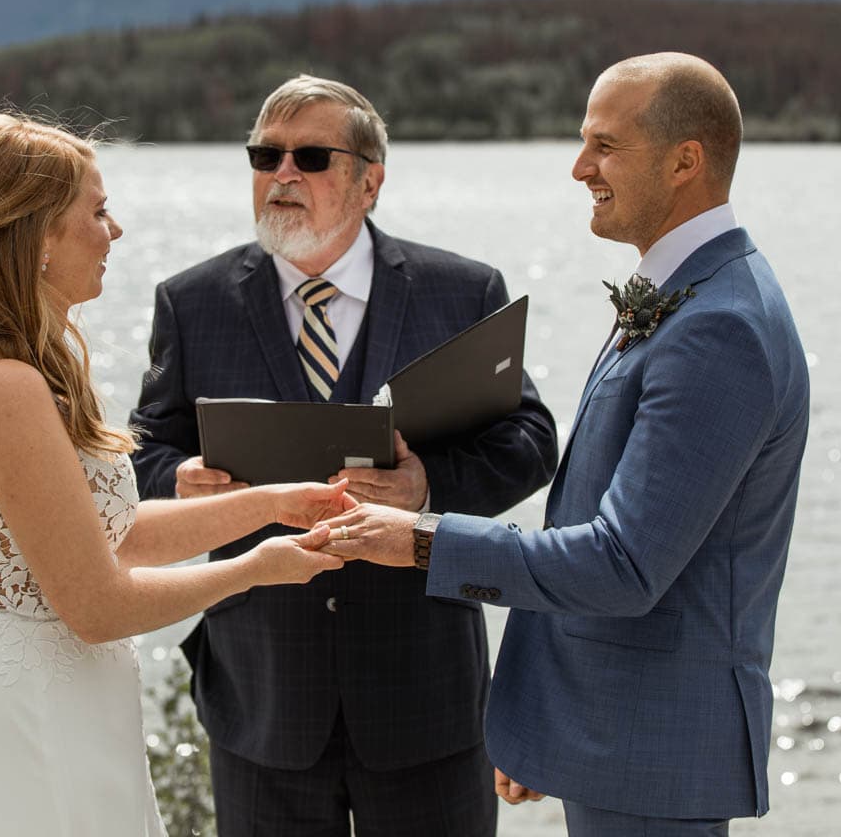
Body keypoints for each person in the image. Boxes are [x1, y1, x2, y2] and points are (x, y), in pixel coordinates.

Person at [320, 54, 811, 837]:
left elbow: (624, 566)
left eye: (605, 146)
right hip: (609, 734)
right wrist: (539, 710)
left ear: (687, 161)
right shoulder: (690, 293)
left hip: (653, 755)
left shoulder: (720, 327)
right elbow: (586, 508)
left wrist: (418, 541)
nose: (580, 167)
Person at [129, 75, 559, 837]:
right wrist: (182, 481)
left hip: (425, 693)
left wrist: (428, 483)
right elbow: (143, 454)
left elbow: (529, 441)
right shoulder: (190, 304)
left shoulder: (460, 292)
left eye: (311, 157)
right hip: (262, 692)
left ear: (370, 182)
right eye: (266, 156)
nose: (282, 174)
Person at [0, 113, 355, 837]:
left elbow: (110, 536)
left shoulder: (28, 370)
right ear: (39, 235)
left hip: (71, 711)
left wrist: (274, 503)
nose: (114, 231)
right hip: (36, 729)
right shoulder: (8, 387)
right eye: (98, 210)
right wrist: (254, 570)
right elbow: (97, 605)